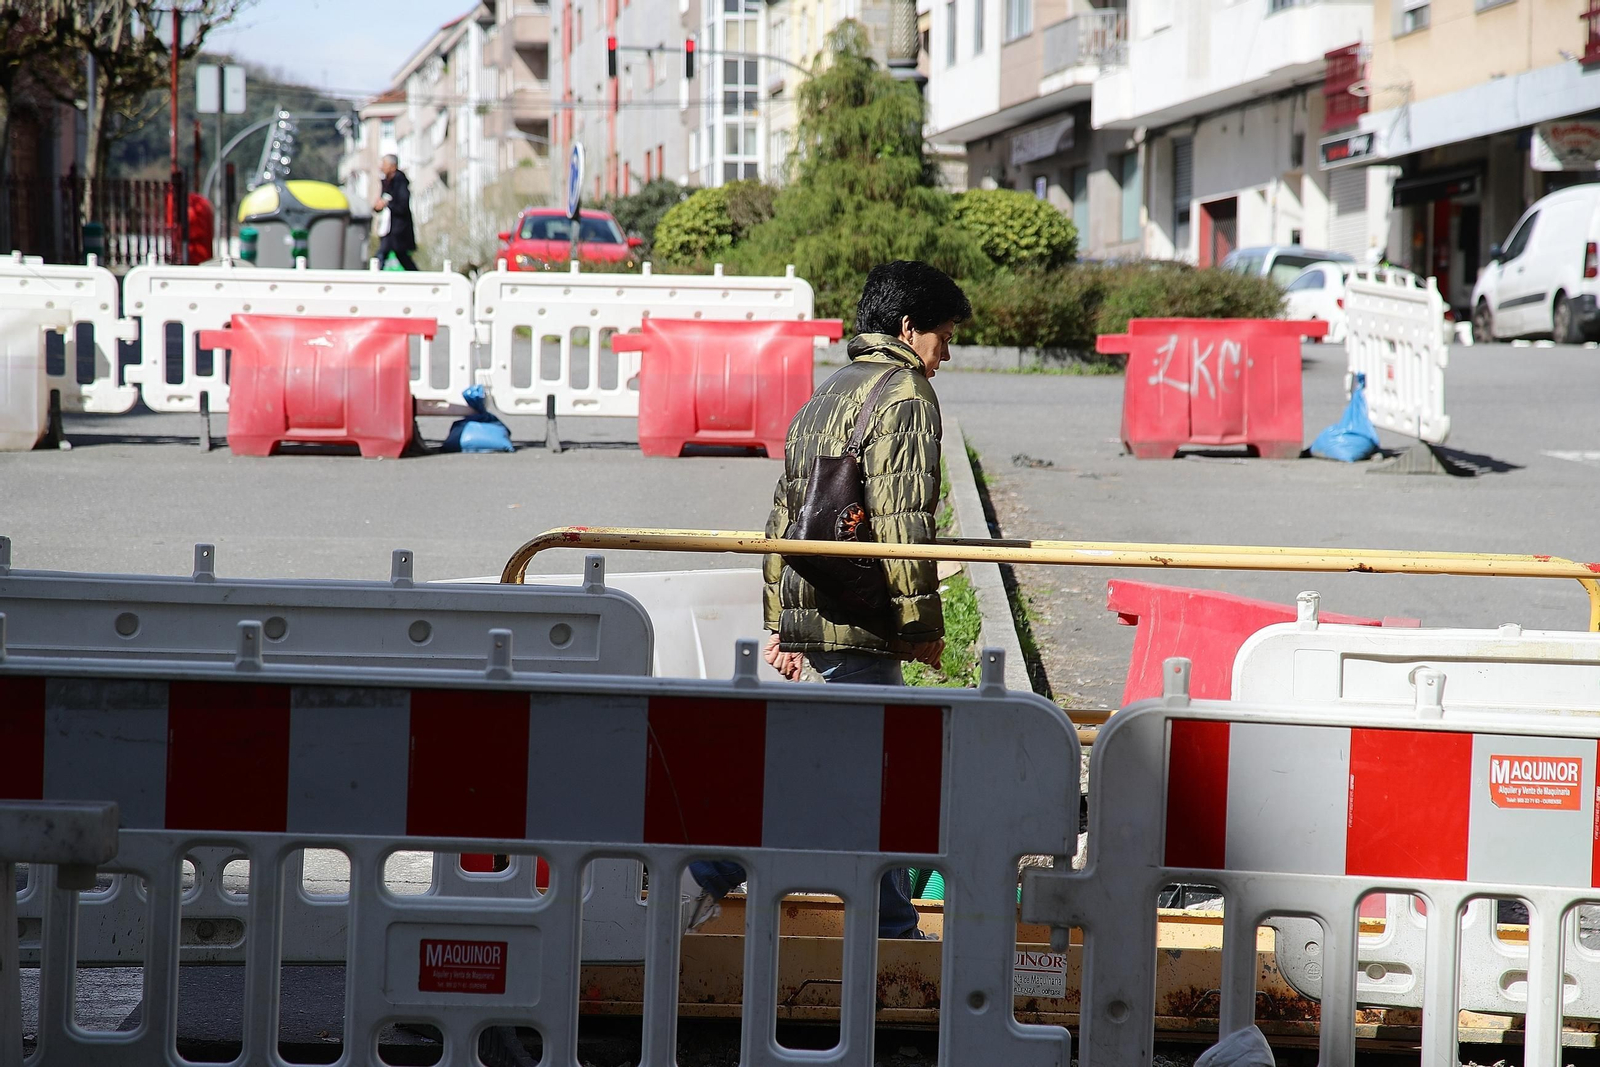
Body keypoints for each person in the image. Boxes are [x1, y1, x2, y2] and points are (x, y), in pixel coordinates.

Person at [682, 260, 972, 940]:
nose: (947, 352)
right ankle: (709, 872)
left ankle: (890, 928)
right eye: (944, 334)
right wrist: (920, 627)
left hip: (818, 615)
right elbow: (905, 524)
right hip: (862, 622)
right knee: (852, 784)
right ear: (908, 327)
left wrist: (778, 625)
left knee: (861, 781)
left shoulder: (829, 391)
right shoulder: (904, 393)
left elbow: (784, 518)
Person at [372, 154, 418, 271]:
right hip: (389, 228)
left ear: (393, 166)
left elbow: (402, 205)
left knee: (382, 255)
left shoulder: (400, 182)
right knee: (401, 256)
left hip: (398, 230)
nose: (382, 168)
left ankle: (374, 278)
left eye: (384, 165)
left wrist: (387, 203)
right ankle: (418, 277)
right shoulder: (387, 183)